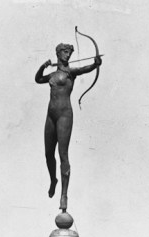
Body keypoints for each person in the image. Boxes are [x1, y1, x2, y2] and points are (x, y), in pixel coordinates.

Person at [35, 43, 102, 211]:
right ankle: (53, 180)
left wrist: (95, 64)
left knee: (63, 154)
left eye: (70, 53)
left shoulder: (71, 72)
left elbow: (85, 68)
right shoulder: (52, 74)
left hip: (65, 115)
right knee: (48, 153)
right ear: (58, 53)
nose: (68, 55)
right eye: (65, 52)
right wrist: (42, 66)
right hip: (51, 115)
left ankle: (64, 195)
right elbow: (38, 79)